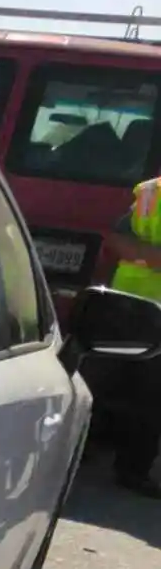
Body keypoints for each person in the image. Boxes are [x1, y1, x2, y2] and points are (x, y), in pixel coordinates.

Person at [102, 176, 161, 496]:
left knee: (148, 396)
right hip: (131, 305)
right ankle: (122, 464)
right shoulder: (151, 192)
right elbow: (117, 238)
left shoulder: (152, 191)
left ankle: (132, 469)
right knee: (138, 392)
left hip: (134, 304)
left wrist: (145, 255)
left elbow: (122, 241)